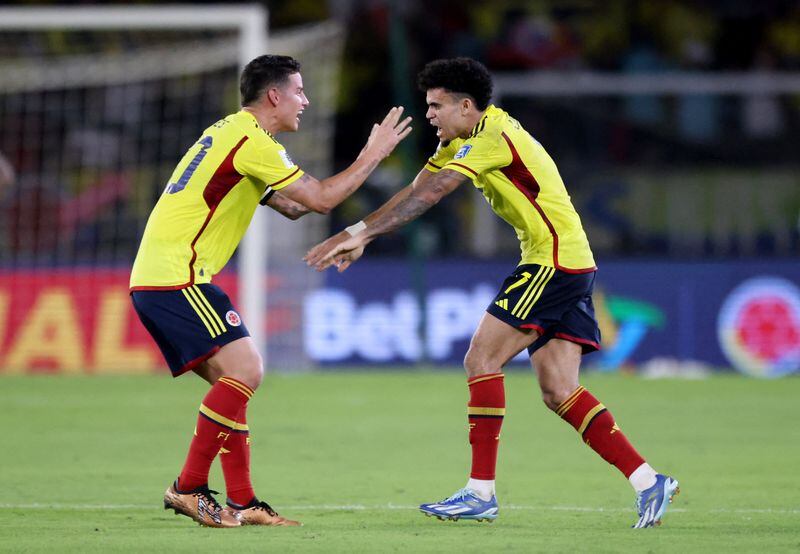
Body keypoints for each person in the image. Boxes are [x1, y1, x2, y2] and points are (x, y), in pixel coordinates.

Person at [305, 57, 678, 529]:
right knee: (559, 390)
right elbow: (418, 187)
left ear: (467, 106)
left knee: (480, 360)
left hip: (552, 261)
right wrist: (361, 231)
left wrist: (361, 234)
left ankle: (480, 492)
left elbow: (434, 194)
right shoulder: (462, 139)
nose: (430, 115)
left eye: (437, 105)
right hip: (569, 261)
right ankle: (649, 481)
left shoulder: (492, 137)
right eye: (427, 106)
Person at [130, 54, 411, 528]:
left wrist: (357, 234)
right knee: (247, 370)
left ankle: (243, 501)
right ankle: (188, 488)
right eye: (299, 92)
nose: (305, 101)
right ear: (274, 96)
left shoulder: (229, 134)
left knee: (233, 385)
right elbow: (320, 199)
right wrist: (374, 154)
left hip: (166, 278)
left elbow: (294, 207)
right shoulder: (251, 141)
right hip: (176, 277)